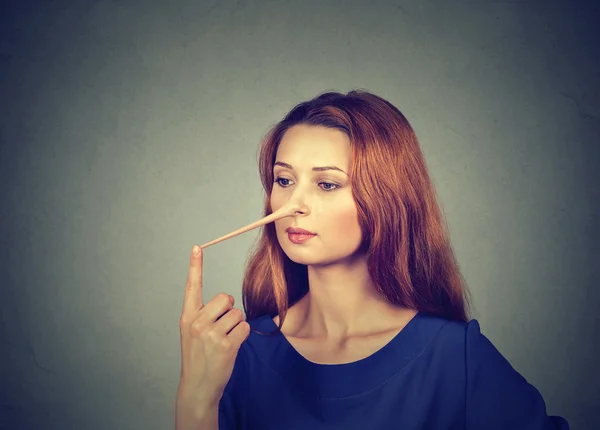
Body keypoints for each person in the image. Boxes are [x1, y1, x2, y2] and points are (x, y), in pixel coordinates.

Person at [175, 90, 570, 429]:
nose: (293, 205)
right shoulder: (240, 353)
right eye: (284, 180)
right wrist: (195, 399)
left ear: (386, 200)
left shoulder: (454, 358)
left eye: (327, 184)